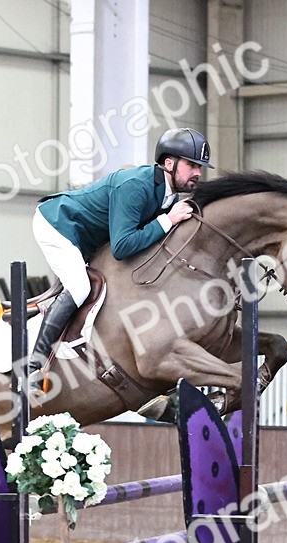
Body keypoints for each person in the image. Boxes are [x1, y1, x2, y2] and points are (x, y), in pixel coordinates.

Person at [28, 127, 213, 375]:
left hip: (86, 237)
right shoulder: (136, 185)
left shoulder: (167, 195)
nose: (198, 173)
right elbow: (123, 247)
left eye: (200, 167)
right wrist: (168, 220)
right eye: (192, 165)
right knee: (80, 287)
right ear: (169, 163)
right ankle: (33, 366)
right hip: (58, 224)